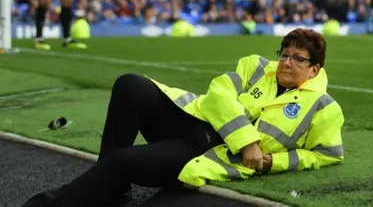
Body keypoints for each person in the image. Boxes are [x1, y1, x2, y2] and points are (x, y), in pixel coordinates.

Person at [22, 29, 344, 207]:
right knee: (130, 84)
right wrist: (248, 141)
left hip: (207, 151)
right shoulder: (257, 66)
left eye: (298, 58)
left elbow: (326, 154)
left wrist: (275, 163)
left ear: (315, 69)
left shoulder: (323, 107)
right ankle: (111, 184)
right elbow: (219, 93)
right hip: (190, 118)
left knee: (125, 159)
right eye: (284, 53)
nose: (287, 62)